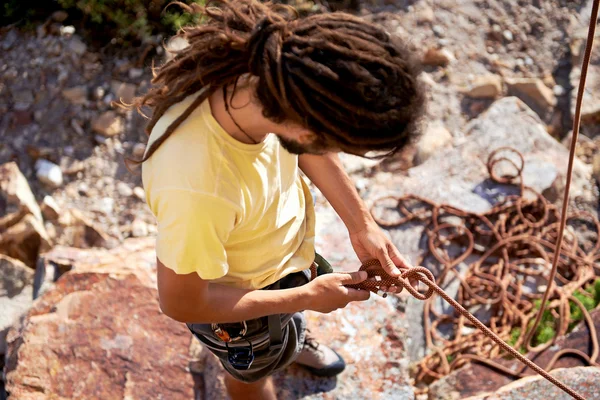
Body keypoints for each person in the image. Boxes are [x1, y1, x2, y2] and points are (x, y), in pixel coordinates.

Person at [131, 1, 425, 398]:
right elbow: (183, 302)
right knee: (252, 371)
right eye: (336, 141)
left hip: (281, 258)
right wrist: (306, 296)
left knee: (284, 327)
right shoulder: (198, 188)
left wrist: (362, 225)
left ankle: (287, 337)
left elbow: (308, 148)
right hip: (240, 314)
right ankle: (260, 361)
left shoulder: (270, 67)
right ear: (305, 129)